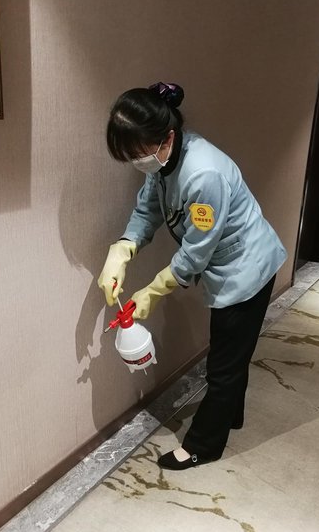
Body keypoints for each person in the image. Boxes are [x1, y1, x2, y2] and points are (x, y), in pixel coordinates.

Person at [98, 82, 287, 470]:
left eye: (139, 155)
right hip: (230, 263)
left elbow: (196, 251)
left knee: (224, 362)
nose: (138, 163)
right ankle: (230, 414)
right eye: (130, 157)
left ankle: (204, 444)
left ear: (167, 137)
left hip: (247, 268)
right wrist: (124, 248)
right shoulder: (165, 158)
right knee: (233, 353)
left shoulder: (204, 174)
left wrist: (154, 290)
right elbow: (148, 209)